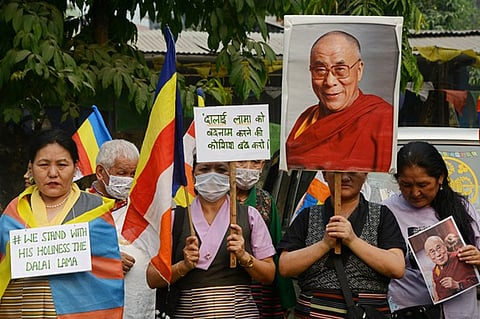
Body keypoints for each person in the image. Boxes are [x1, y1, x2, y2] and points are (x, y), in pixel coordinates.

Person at [0, 129, 123, 318]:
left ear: (75, 167)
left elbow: (107, 268)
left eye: (62, 165)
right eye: (43, 164)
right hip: (22, 309)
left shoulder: (94, 208)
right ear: (31, 167)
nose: (52, 173)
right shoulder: (15, 209)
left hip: (80, 310)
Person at [147, 159, 276, 318]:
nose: (212, 175)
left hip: (240, 313)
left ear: (231, 176)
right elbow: (152, 279)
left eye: (221, 170)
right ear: (193, 176)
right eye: (205, 169)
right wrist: (183, 266)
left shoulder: (250, 216)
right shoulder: (175, 219)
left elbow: (269, 275)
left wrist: (244, 257)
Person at [277, 171, 406, 318]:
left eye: (352, 171)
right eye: (337, 172)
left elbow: (397, 267)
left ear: (365, 174)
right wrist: (325, 244)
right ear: (325, 175)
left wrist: (353, 240)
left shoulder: (382, 215)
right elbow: (285, 266)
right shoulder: (308, 215)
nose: (345, 178)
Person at [383, 141, 480, 319]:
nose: (415, 193)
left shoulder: (464, 209)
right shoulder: (386, 211)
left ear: (440, 177)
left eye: (423, 184)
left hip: (461, 313)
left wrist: (477, 259)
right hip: (408, 312)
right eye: (406, 185)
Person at [286, 30, 393, 172]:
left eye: (340, 70)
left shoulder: (382, 117)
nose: (330, 81)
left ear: (359, 70)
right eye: (320, 70)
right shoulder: (307, 117)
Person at [88, 139, 156, 319]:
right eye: (122, 172)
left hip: (139, 306)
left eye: (133, 173)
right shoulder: (79, 207)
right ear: (101, 172)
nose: (129, 179)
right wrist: (105, 260)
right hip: (95, 305)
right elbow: (66, 255)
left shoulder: (143, 207)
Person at [235, 160, 296, 318]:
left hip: (259, 288)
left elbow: (277, 249)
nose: (248, 169)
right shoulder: (215, 200)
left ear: (263, 166)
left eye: (255, 163)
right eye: (241, 162)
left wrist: (286, 299)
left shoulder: (266, 201)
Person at [423, 235, 478, 302]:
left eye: (439, 248)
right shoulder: (435, 270)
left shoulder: (459, 257)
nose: (438, 254)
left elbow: (476, 279)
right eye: (432, 252)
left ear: (445, 246)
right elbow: (437, 294)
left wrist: (457, 285)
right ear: (428, 256)